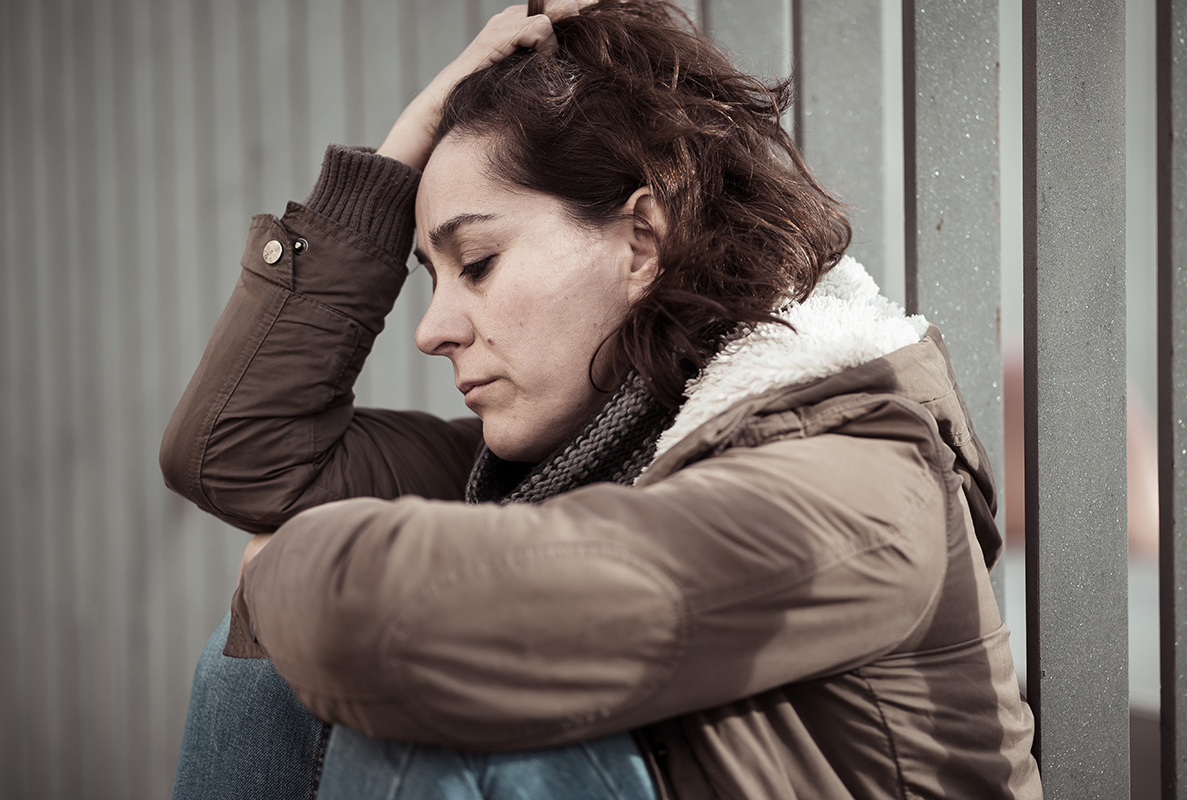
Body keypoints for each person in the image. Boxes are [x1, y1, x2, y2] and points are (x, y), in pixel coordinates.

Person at [161, 1, 1043, 797]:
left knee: (441, 741)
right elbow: (240, 451)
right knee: (260, 670)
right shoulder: (544, 466)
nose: (431, 331)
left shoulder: (856, 473)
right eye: (432, 276)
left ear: (641, 240)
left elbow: (401, 615)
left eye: (477, 264)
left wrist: (285, 565)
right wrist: (398, 156)